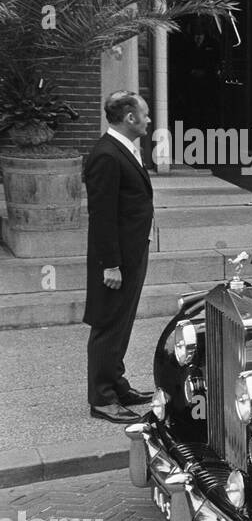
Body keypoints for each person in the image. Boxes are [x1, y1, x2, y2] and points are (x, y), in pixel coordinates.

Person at [83, 91, 155, 423]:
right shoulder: (106, 156)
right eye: (145, 114)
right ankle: (102, 398)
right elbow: (102, 215)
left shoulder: (123, 149)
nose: (149, 120)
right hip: (115, 261)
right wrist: (110, 263)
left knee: (122, 323)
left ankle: (116, 383)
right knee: (108, 324)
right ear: (130, 118)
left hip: (131, 253)